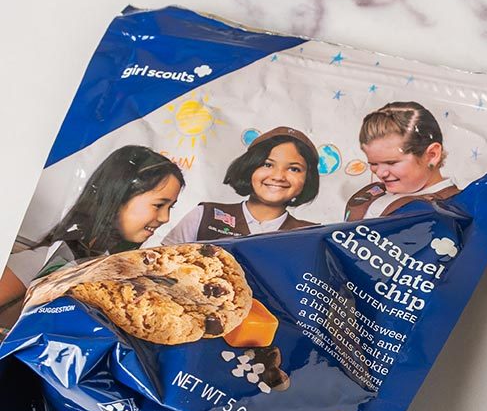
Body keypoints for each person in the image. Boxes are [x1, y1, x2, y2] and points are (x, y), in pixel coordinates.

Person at [0, 145, 184, 323]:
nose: (165, 218)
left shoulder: (113, 269)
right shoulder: (53, 258)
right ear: (118, 197)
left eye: (170, 207)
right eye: (159, 205)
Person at [163, 126, 319, 244]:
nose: (278, 176)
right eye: (267, 164)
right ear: (249, 166)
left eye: (294, 169)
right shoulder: (204, 216)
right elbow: (161, 271)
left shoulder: (314, 236)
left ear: (308, 179)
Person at [345, 101, 460, 221]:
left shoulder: (451, 208)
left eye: (391, 163)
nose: (380, 173)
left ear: (432, 155)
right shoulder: (374, 192)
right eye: (373, 163)